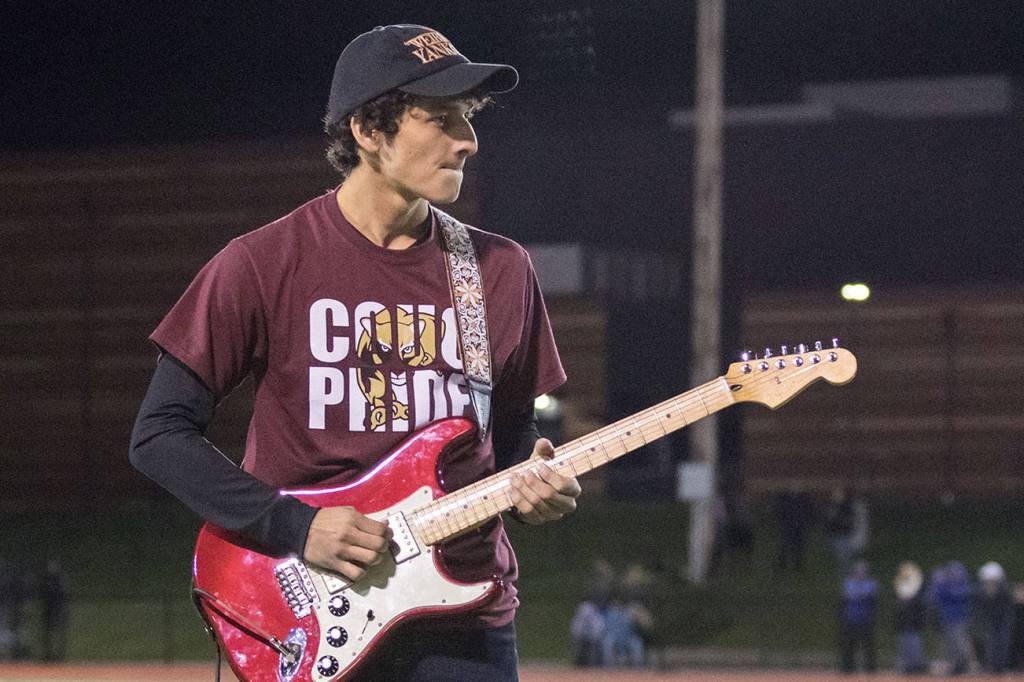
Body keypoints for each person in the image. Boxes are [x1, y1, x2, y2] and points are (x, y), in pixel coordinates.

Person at [129, 24, 581, 681]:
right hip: (308, 609)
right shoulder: (262, 264)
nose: (469, 139)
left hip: (463, 620)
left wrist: (532, 482)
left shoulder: (501, 270)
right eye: (442, 118)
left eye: (471, 117)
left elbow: (512, 428)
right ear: (369, 130)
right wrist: (296, 526)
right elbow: (159, 434)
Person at [838, 559, 877, 674]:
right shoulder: (848, 583)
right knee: (849, 645)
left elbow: (869, 596)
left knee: (868, 646)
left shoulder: (871, 583)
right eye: (859, 571)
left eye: (863, 571)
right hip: (850, 619)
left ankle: (870, 669)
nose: (861, 573)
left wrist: (857, 595)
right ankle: (848, 668)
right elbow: (847, 596)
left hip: (865, 620)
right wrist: (859, 595)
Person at [974, 561, 1014, 674]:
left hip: (1003, 621)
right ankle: (992, 666)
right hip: (991, 621)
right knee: (992, 643)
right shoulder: (982, 592)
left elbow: (1007, 609)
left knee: (1002, 643)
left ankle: (1000, 667)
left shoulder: (1005, 591)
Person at [893, 561, 927, 675]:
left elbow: (920, 609)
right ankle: (907, 666)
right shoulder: (900, 593)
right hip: (904, 624)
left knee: (914, 645)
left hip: (913, 624)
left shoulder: (917, 594)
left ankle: (916, 666)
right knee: (904, 645)